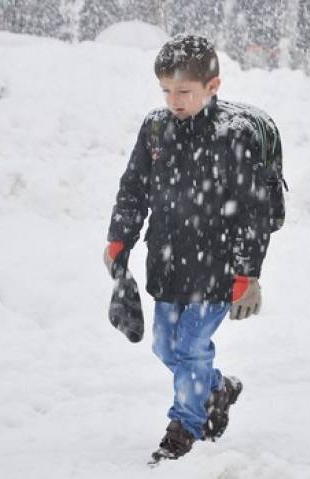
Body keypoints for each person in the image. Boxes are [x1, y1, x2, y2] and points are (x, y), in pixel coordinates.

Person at [103, 35, 277, 462]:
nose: (173, 100)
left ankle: (184, 425)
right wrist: (119, 238)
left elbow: (251, 212)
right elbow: (133, 188)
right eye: (166, 90)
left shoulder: (232, 135)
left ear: (212, 87)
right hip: (166, 262)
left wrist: (244, 272)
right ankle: (216, 388)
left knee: (191, 347)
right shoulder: (156, 129)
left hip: (216, 266)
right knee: (166, 347)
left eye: (184, 91)